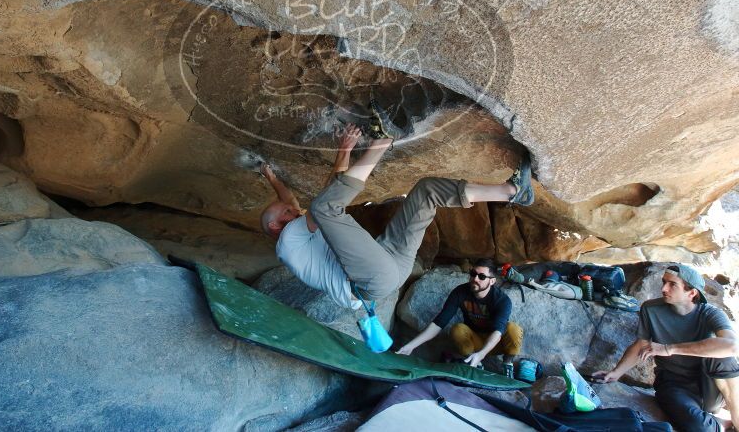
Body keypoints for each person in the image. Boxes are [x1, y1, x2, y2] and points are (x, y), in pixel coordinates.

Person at [260, 100, 535, 308]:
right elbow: (316, 205)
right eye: (288, 212)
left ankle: (512, 191)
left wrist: (271, 176)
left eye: (291, 210)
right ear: (275, 226)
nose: (294, 209)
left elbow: (306, 198)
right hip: (369, 282)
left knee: (427, 191)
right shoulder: (287, 242)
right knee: (323, 208)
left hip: (391, 261)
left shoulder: (296, 232)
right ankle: (383, 140)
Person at [593, 264, 739, 432]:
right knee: (698, 427)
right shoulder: (651, 309)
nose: (663, 288)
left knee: (724, 357)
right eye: (664, 282)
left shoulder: (710, 313)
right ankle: (721, 424)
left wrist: (669, 348)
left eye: (672, 284)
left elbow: (732, 346)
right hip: (674, 384)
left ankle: (736, 418)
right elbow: (642, 344)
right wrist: (616, 373)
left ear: (692, 293)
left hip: (709, 386)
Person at [395, 258, 523, 375]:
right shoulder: (460, 292)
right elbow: (439, 323)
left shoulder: (502, 300)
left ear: (492, 281)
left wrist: (482, 354)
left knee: (513, 329)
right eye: (473, 274)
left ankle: (507, 364)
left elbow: (498, 331)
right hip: (474, 340)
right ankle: (475, 363)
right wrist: (410, 346)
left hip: (495, 342)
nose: (475, 279)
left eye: (482, 276)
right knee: (457, 329)